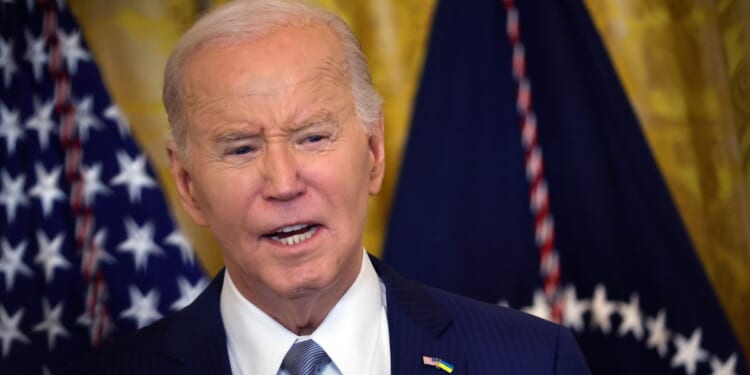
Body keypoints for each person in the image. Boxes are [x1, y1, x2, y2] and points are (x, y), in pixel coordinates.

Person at [66, 0, 591, 374]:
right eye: (241, 148)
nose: (283, 182)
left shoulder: (532, 360)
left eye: (313, 137)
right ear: (188, 185)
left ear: (373, 151)